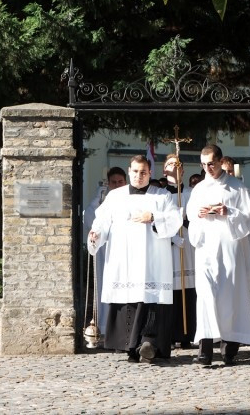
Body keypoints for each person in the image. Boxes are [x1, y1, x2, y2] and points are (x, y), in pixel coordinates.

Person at [87, 155, 183, 364]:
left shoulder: (162, 196)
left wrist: (154, 218)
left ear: (150, 173)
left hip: (152, 263)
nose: (139, 176)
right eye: (135, 172)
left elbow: (175, 220)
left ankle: (149, 344)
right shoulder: (115, 196)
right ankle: (131, 347)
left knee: (151, 301)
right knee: (128, 300)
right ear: (129, 171)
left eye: (143, 172)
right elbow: (102, 221)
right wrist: (96, 234)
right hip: (125, 261)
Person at [187, 144, 250, 366]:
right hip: (206, 248)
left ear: (220, 161)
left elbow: (249, 216)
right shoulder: (199, 189)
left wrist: (229, 212)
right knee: (206, 296)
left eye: (211, 164)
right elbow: (191, 215)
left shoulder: (237, 188)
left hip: (230, 248)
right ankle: (205, 350)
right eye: (203, 164)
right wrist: (200, 214)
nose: (207, 168)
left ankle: (229, 349)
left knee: (230, 296)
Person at [83, 166, 127, 337]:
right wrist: (97, 198)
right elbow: (89, 219)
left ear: (125, 182)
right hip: (106, 252)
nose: (117, 185)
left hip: (126, 251)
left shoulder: (131, 198)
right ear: (108, 183)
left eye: (120, 182)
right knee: (106, 287)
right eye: (113, 182)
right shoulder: (103, 200)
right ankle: (105, 324)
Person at [162, 153, 197, 349]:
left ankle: (186, 334)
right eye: (170, 164)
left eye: (178, 165)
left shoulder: (192, 194)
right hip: (168, 247)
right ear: (164, 170)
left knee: (188, 289)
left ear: (183, 170)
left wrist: (187, 222)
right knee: (170, 290)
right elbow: (156, 222)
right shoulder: (161, 195)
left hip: (189, 245)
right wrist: (172, 237)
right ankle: (169, 334)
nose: (175, 167)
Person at [220, 155, 250, 275]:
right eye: (224, 171)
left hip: (243, 234)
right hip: (223, 234)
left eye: (230, 171)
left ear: (235, 171)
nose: (228, 174)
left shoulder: (245, 190)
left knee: (242, 270)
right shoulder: (217, 190)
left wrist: (232, 212)